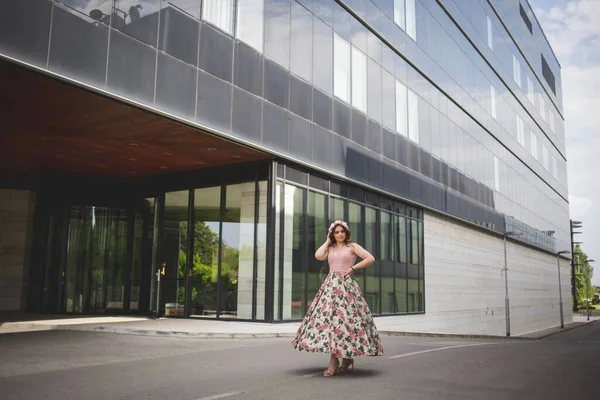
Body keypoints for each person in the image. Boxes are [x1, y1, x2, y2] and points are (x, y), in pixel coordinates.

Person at [291, 220, 384, 377]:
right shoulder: (331, 247)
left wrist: (353, 268)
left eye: (342, 231)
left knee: (346, 322)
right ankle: (338, 358)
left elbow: (370, 258)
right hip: (330, 287)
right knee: (330, 322)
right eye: (336, 232)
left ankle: (341, 359)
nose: (340, 234)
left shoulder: (352, 247)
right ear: (332, 234)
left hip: (346, 287)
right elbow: (318, 255)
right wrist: (327, 240)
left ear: (346, 233)